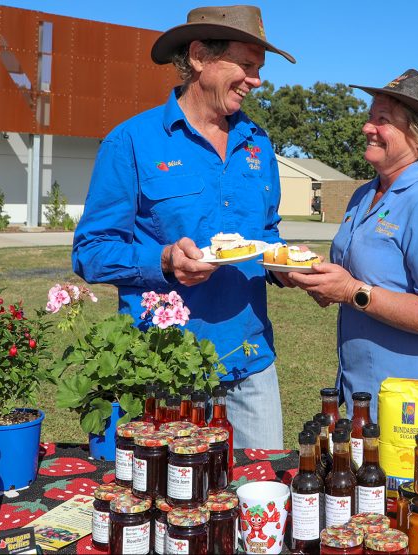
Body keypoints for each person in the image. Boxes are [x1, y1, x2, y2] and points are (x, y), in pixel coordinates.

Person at [71, 5, 295, 448]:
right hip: (163, 369)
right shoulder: (132, 141)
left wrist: (286, 264)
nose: (256, 80)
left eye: (259, 69)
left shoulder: (259, 144)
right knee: (170, 506)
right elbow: (90, 251)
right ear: (198, 56)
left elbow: (266, 232)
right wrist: (165, 260)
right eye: (246, 66)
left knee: (257, 498)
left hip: (248, 361)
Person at [290, 69, 418, 420]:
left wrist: (352, 292)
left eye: (383, 120)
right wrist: (324, 281)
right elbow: (363, 278)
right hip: (367, 396)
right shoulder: (364, 194)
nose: (367, 128)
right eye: (369, 117)